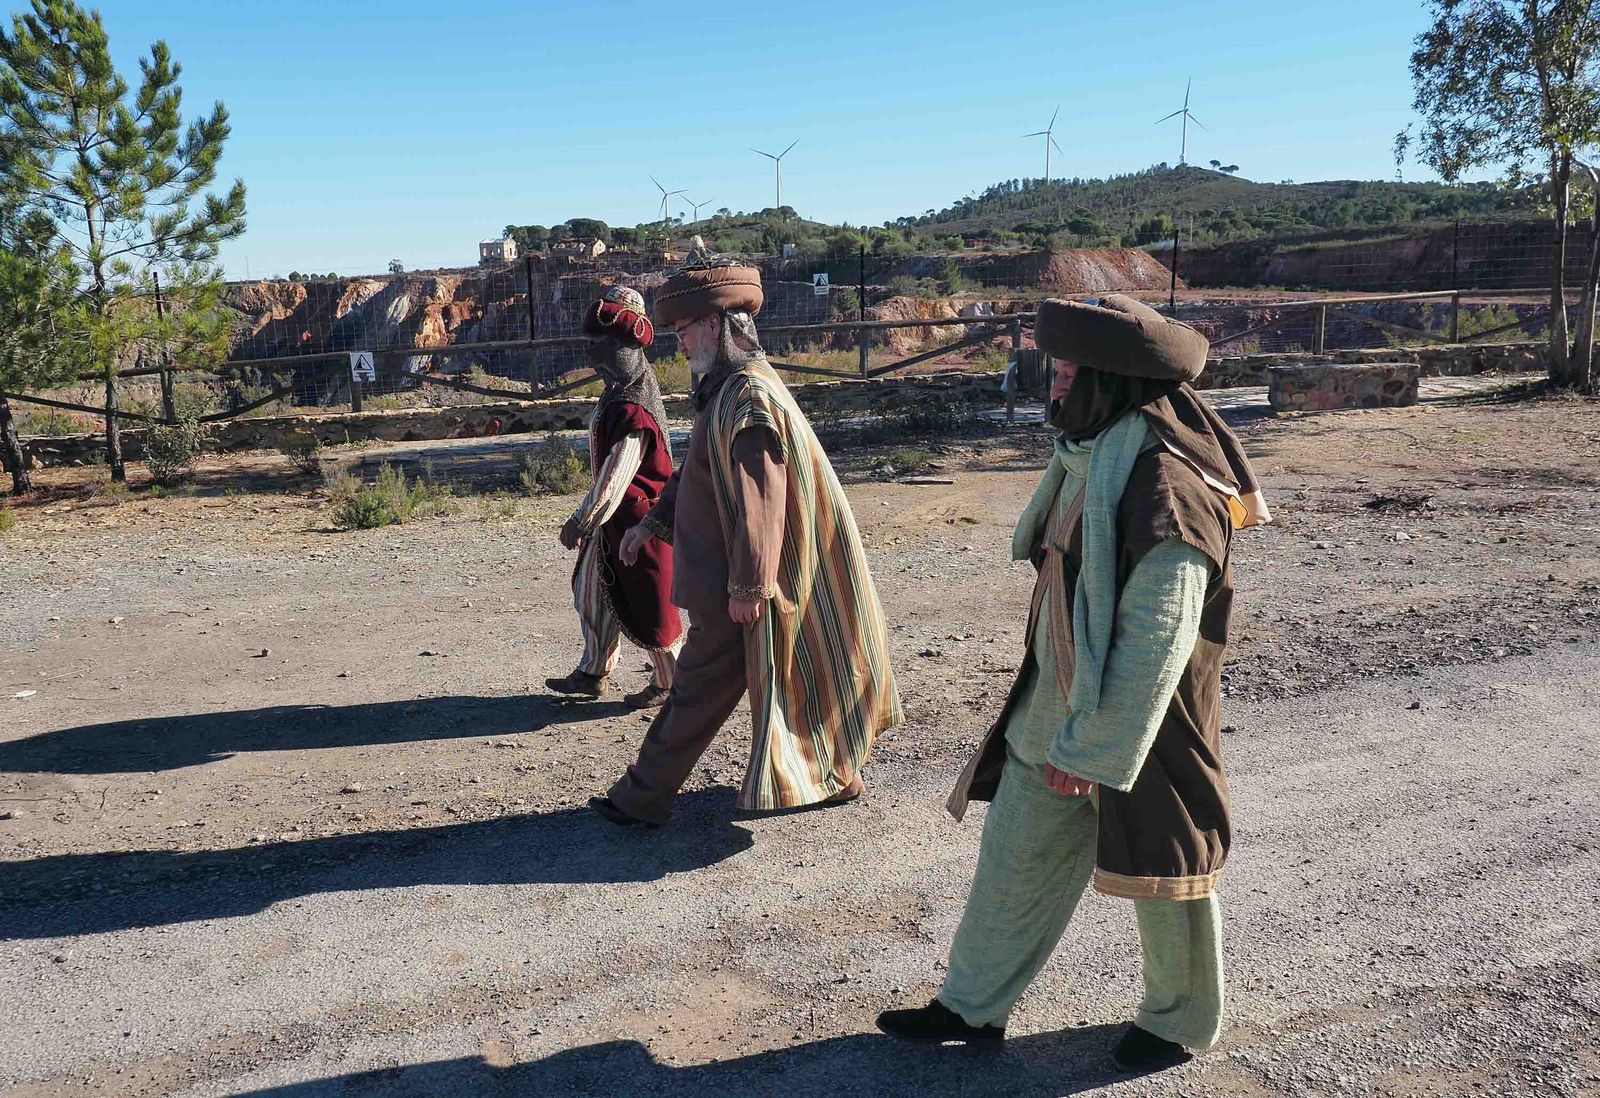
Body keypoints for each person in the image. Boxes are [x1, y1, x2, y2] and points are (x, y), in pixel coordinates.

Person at [876, 295, 1272, 1074]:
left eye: (1065, 374)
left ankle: (1178, 1020)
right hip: (1050, 708)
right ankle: (971, 1005)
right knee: (1014, 856)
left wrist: (1092, 748)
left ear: (1110, 382)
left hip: (1140, 729)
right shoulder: (1093, 452)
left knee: (1166, 875)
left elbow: (1158, 642)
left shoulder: (1169, 488)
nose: (1052, 389)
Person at [590, 258, 903, 827]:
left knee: (699, 692)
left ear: (715, 325)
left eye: (684, 332)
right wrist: (650, 526)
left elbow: (765, 494)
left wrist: (749, 585)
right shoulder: (729, 391)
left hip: (732, 584)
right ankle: (835, 774)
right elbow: (697, 474)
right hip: (731, 579)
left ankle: (641, 797)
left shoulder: (748, 397)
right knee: (789, 675)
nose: (679, 344)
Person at [546, 286, 683, 709]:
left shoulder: (633, 408)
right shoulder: (619, 394)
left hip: (639, 520)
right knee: (590, 590)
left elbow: (617, 475)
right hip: (613, 523)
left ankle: (672, 684)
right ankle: (593, 671)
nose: (590, 352)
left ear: (620, 346)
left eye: (597, 344)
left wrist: (582, 519)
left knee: (651, 605)